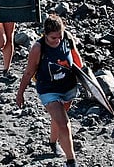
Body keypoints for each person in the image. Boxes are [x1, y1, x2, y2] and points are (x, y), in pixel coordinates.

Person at [16, 14, 83, 167]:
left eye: (59, 36)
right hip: (48, 90)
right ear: (45, 34)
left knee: (58, 117)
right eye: (53, 38)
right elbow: (28, 72)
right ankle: (71, 161)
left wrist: (88, 81)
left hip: (68, 87)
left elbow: (76, 58)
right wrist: (20, 93)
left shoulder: (67, 37)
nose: (57, 40)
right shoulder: (38, 48)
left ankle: (53, 142)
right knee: (64, 123)